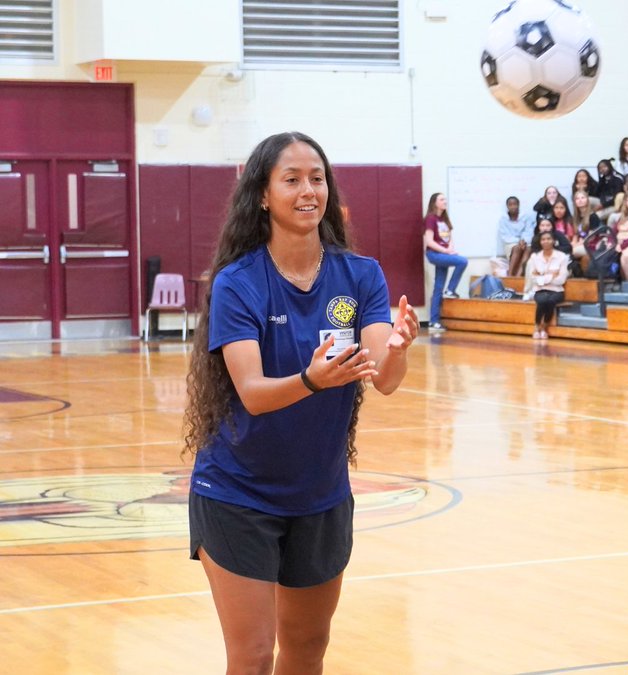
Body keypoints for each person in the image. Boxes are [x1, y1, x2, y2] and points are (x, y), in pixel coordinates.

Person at [183, 132, 418, 675]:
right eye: (291, 179)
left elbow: (382, 377)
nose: (308, 190)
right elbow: (253, 393)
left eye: (317, 178)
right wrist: (311, 381)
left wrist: (400, 350)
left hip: (320, 494)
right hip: (237, 494)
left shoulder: (361, 275)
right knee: (253, 655)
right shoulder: (238, 283)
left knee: (308, 648)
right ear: (262, 195)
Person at [423, 192, 466, 331]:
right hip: (434, 254)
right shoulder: (430, 218)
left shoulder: (445, 219)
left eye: (445, 199)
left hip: (443, 253)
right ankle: (451, 289)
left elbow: (449, 239)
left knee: (438, 288)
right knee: (462, 262)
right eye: (441, 199)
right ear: (435, 202)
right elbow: (429, 241)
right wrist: (446, 251)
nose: (445, 201)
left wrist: (450, 249)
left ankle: (433, 321)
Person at [523, 230, 570, 340]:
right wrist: (551, 275)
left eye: (549, 239)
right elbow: (533, 278)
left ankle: (543, 327)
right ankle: (536, 326)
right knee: (542, 300)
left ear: (553, 241)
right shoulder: (535, 257)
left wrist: (542, 276)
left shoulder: (562, 256)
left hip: (557, 290)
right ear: (540, 242)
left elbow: (561, 279)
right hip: (540, 289)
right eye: (543, 239)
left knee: (550, 301)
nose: (546, 241)